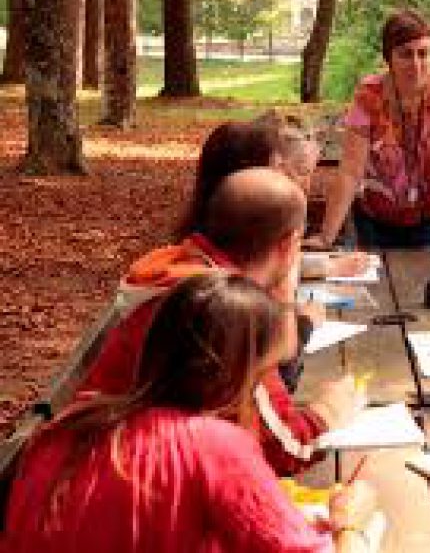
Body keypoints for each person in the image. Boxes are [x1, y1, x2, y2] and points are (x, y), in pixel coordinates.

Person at [4, 274, 376, 552]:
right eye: (266, 372)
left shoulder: (71, 425)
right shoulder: (212, 445)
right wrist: (350, 525)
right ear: (236, 373)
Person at [78, 169, 362, 476]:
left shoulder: (185, 272)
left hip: (101, 460)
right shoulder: (226, 310)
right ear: (289, 245)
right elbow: (281, 449)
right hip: (130, 477)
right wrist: (329, 412)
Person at [307, 8, 430, 250]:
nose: (416, 64)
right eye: (406, 54)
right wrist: (326, 238)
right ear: (389, 57)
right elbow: (351, 171)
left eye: (423, 54)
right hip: (374, 219)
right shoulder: (369, 94)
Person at [178, 114, 368, 279]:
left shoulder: (215, 238)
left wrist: (326, 266)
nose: (289, 179)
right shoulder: (216, 265)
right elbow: (259, 274)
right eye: (277, 170)